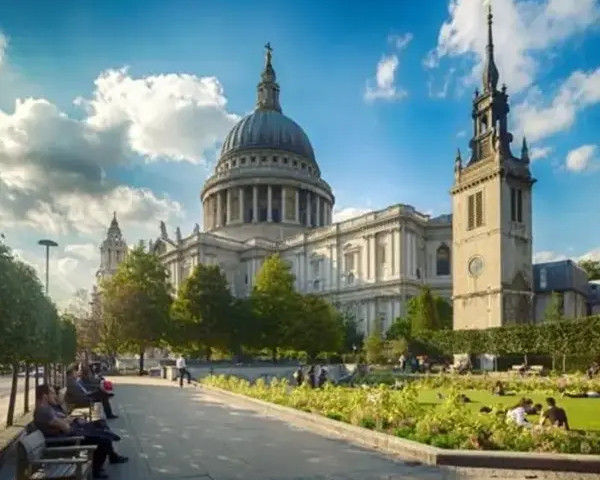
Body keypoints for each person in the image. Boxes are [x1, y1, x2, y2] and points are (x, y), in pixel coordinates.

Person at [34, 384, 127, 479]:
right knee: (102, 439)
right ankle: (97, 470)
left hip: (70, 433)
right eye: (52, 393)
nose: (55, 395)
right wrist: (67, 421)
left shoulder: (48, 408)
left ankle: (110, 453)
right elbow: (66, 427)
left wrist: (66, 420)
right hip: (65, 440)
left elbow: (64, 419)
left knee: (101, 426)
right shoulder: (44, 411)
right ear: (45, 396)